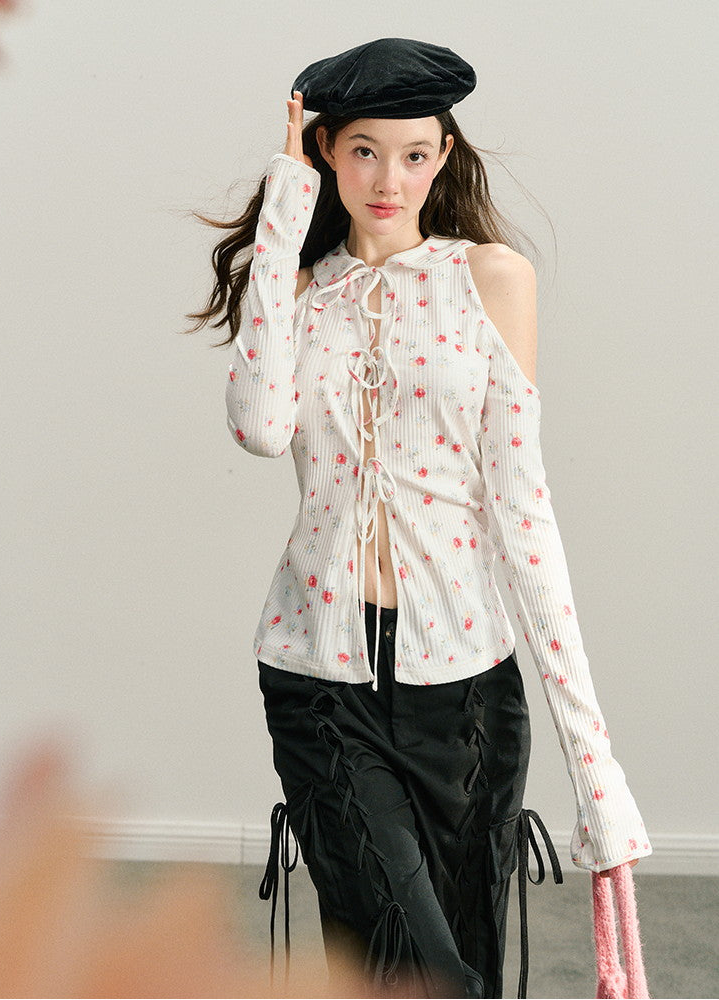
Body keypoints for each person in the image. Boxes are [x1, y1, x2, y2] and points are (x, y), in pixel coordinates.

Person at [186, 37, 652, 1000]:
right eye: (362, 150)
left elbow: (523, 514)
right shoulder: (297, 291)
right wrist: (284, 211)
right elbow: (261, 428)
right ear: (326, 152)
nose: (387, 179)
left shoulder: (492, 281)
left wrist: (596, 770)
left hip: (469, 698)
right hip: (320, 682)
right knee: (424, 973)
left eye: (413, 153)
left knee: (434, 966)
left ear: (444, 157)